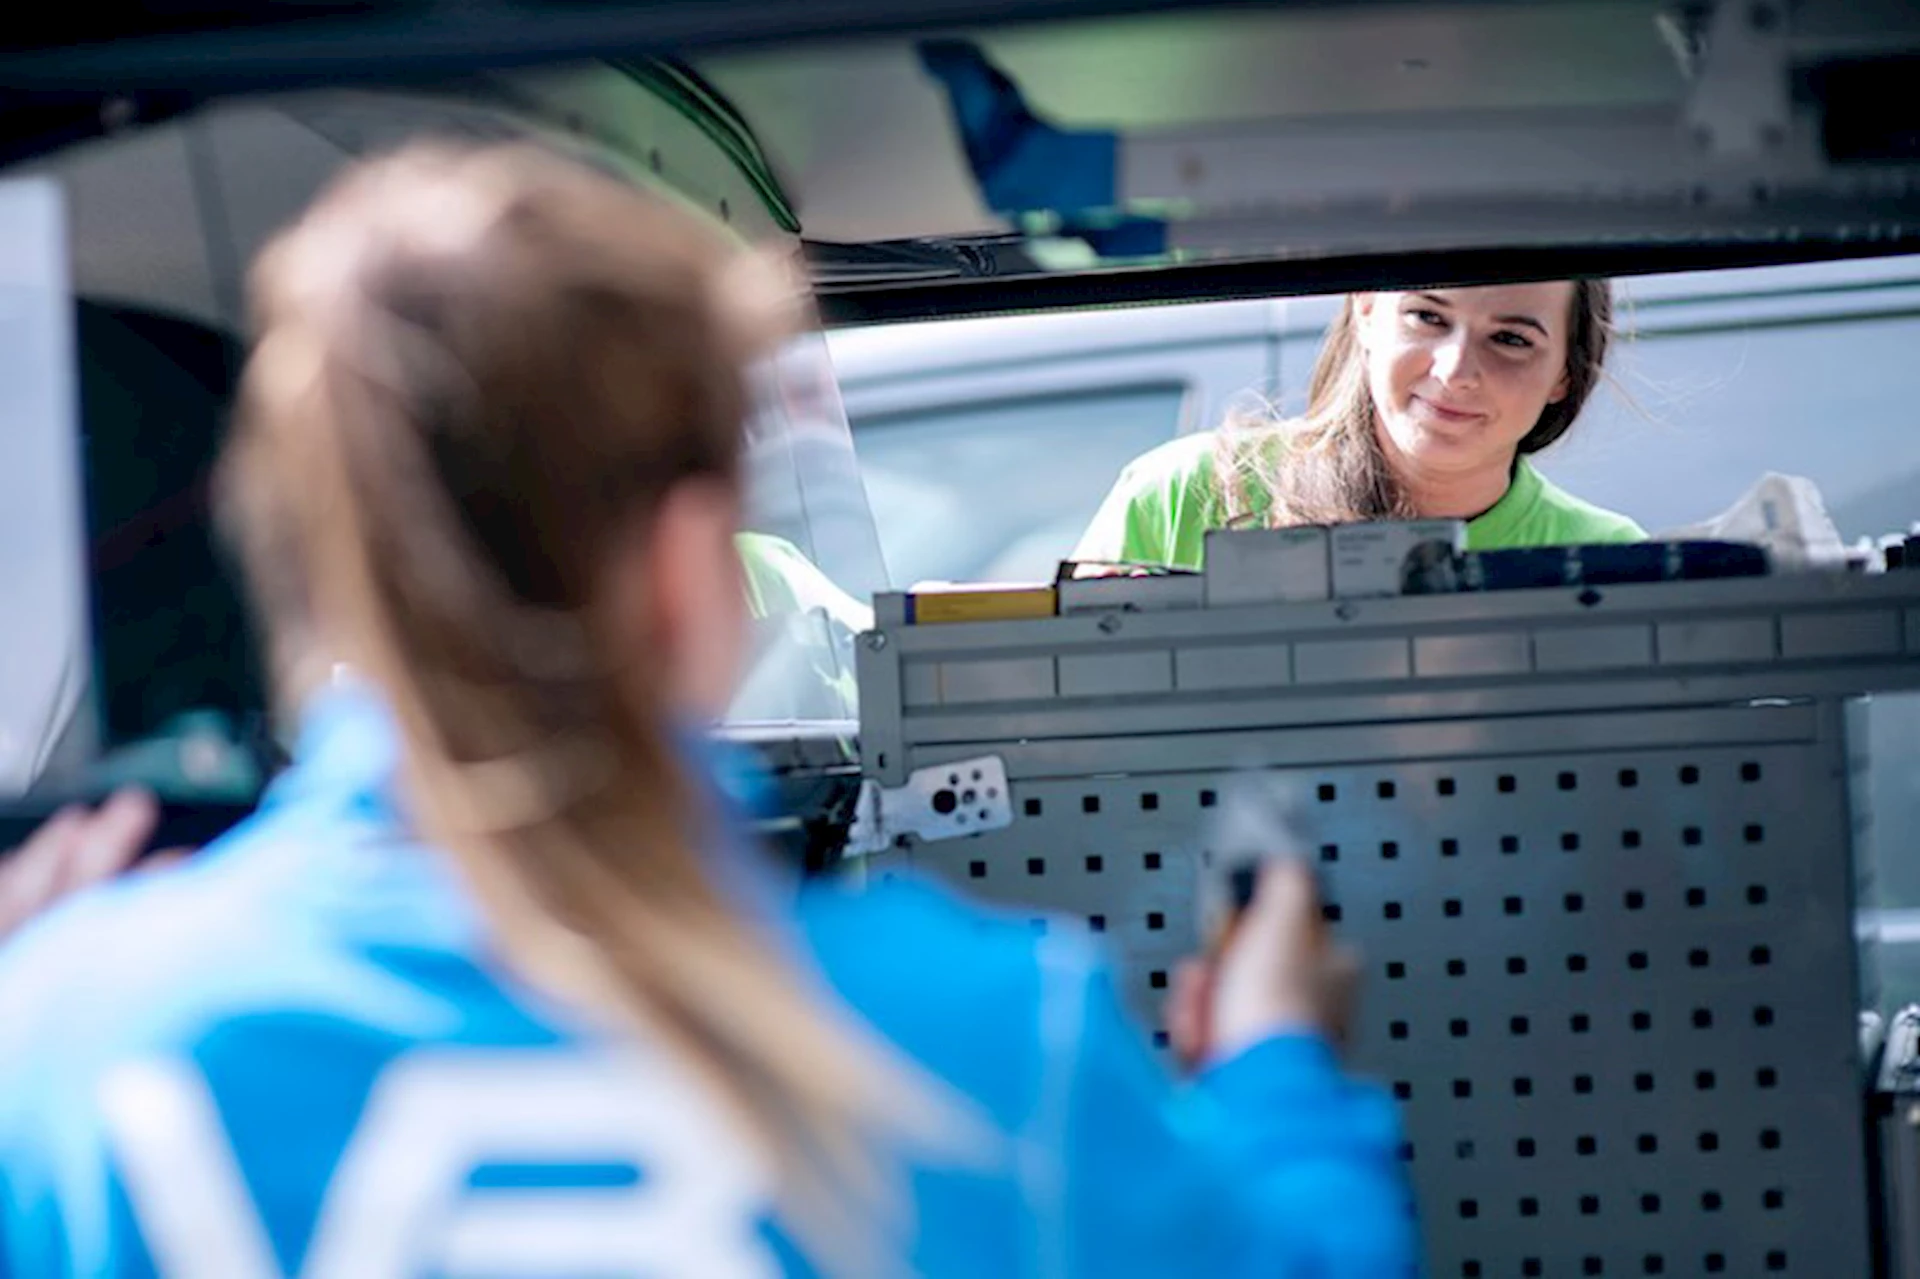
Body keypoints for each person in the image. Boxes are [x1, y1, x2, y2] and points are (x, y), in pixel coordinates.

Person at [0, 143, 1416, 1277]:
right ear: (688, 562)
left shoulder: (74, 1041)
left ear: (305, 558)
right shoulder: (992, 1039)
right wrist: (1275, 1058)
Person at [1075, 282, 1646, 569]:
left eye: (1511, 339)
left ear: (1565, 373)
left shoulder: (1610, 559)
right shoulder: (1180, 496)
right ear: (1366, 310)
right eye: (1428, 316)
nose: (1454, 371)